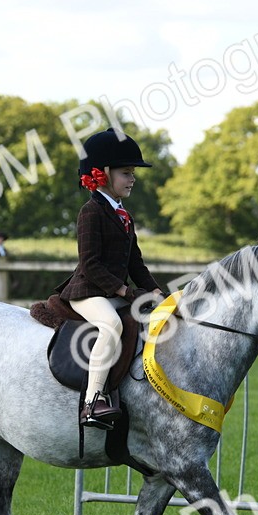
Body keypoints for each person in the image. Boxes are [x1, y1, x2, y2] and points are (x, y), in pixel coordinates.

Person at [59, 129, 163, 429]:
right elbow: (89, 265)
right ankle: (92, 402)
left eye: (133, 173)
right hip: (88, 291)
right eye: (126, 173)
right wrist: (124, 291)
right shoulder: (90, 212)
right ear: (103, 174)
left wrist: (157, 293)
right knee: (112, 324)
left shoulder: (123, 214)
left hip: (112, 290)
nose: (133, 179)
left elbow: (136, 263)